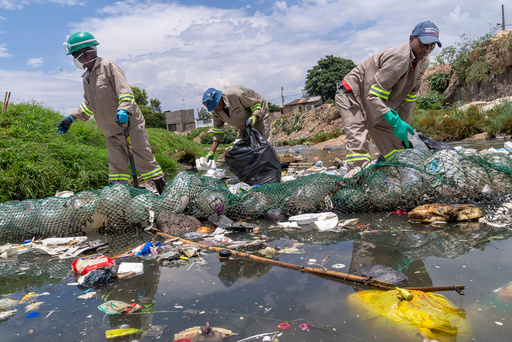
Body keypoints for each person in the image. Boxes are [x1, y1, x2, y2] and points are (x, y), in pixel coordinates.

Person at [57, 31, 166, 195]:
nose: (75, 60)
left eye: (75, 55)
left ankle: (163, 193)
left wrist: (123, 109)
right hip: (110, 131)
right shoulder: (86, 77)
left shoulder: (108, 67)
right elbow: (89, 105)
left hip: (129, 125)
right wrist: (72, 117)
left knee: (144, 161)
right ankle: (120, 199)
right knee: (117, 168)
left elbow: (125, 93)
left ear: (85, 54)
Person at [335, 21, 442, 171]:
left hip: (373, 99)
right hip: (352, 94)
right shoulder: (400, 59)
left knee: (395, 143)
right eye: (423, 43)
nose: (426, 49)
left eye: (431, 45)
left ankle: (396, 172)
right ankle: (357, 178)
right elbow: (373, 97)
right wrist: (394, 121)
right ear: (411, 38)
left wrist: (402, 126)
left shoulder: (423, 61)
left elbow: (409, 99)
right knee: (358, 137)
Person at [202, 86, 273, 159]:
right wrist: (212, 152)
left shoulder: (236, 95)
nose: (215, 110)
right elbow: (218, 131)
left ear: (219, 99)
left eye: (215, 107)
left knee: (265, 144)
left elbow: (256, 104)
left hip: (259, 113)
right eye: (212, 108)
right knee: (245, 149)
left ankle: (271, 167)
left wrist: (254, 116)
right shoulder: (215, 111)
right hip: (243, 124)